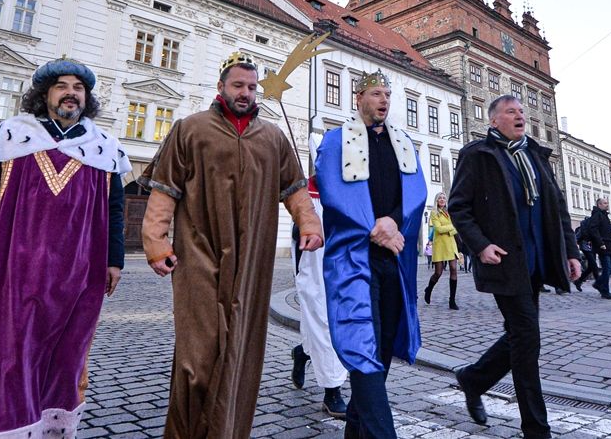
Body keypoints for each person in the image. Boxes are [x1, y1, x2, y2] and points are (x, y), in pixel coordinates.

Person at [0, 58, 131, 438]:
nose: (70, 94)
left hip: (77, 277)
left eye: (78, 88)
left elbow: (114, 210)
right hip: (12, 275)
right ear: (45, 94)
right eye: (62, 86)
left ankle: (50, 431)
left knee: (65, 358)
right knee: (8, 358)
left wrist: (114, 260)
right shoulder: (13, 136)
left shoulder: (103, 147)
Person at [140, 51, 323, 439]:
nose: (245, 93)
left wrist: (309, 223)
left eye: (252, 87)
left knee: (241, 351)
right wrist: (156, 241)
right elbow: (164, 190)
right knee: (196, 356)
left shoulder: (272, 137)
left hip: (253, 260)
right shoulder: (190, 129)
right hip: (198, 254)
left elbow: (295, 189)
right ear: (221, 86)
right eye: (238, 85)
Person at [448, 95, 581, 438]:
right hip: (505, 261)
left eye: (521, 111)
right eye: (511, 112)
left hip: (537, 261)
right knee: (527, 339)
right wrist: (480, 245)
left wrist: (571, 252)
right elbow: (459, 207)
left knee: (521, 335)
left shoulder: (536, 155)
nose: (520, 116)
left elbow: (558, 208)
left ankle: (473, 379)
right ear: (494, 121)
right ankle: (536, 429)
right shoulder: (478, 155)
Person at [315, 69, 426, 439]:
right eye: (376, 93)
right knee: (363, 346)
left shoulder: (403, 142)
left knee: (382, 347)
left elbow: (416, 190)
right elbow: (333, 192)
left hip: (393, 258)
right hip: (354, 259)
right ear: (358, 98)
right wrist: (372, 228)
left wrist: (393, 222)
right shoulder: (336, 140)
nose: (384, 100)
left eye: (387, 95)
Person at [290, 138, 349, 420]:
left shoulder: (349, 191)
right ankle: (332, 389)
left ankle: (303, 352)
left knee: (340, 320)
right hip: (315, 266)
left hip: (346, 267)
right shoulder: (306, 196)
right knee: (323, 318)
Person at [423, 192, 460, 310]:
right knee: (438, 273)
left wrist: (451, 229)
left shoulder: (449, 212)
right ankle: (429, 289)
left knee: (453, 269)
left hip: (451, 244)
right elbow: (438, 229)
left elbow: (457, 228)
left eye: (444, 198)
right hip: (440, 245)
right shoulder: (434, 213)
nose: (442, 200)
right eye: (440, 198)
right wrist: (452, 227)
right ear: (437, 200)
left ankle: (452, 300)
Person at [587, 198, 611, 299]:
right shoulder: (597, 215)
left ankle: (598, 283)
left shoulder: (604, 215)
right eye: (605, 203)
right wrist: (600, 243)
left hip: (609, 246)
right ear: (599, 205)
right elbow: (593, 230)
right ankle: (605, 291)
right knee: (607, 268)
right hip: (603, 246)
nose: (607, 205)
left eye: (607, 203)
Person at [572, 216, 598, 292]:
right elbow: (576, 237)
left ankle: (578, 281)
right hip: (586, 248)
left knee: (591, 267)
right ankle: (600, 284)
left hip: (592, 248)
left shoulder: (594, 227)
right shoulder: (583, 228)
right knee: (594, 266)